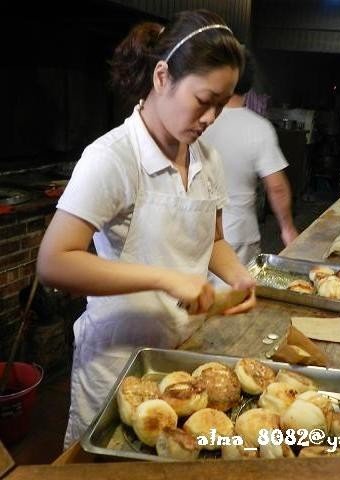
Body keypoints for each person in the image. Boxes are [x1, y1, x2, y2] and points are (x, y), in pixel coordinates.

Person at [36, 10, 256, 448]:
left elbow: (212, 240)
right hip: (117, 365)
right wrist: (165, 278)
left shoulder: (206, 159)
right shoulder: (113, 158)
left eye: (222, 104)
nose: (211, 117)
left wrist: (237, 275)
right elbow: (54, 261)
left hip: (180, 356)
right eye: (203, 100)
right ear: (161, 77)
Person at [201, 49, 298, 267]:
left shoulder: (195, 120)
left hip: (195, 233)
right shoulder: (259, 128)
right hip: (238, 236)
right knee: (237, 297)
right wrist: (288, 228)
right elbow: (277, 187)